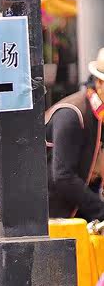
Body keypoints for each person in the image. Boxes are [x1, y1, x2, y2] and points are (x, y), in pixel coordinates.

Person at [45, 48, 104, 222]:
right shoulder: (72, 114)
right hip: (53, 218)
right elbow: (63, 177)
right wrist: (100, 210)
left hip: (77, 213)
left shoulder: (98, 114)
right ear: (99, 83)